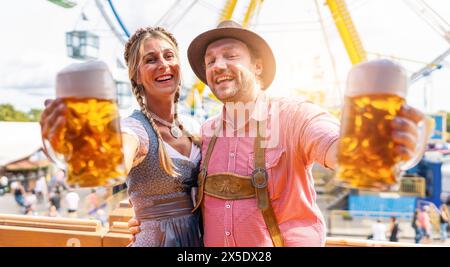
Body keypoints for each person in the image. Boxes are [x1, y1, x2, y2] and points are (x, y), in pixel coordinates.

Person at [128, 20, 427, 247]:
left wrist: (386, 148)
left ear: (258, 66)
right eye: (211, 61)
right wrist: (150, 218)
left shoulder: (295, 117)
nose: (219, 66)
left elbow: (340, 148)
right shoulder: (205, 133)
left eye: (230, 56)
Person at [40, 27, 202, 247]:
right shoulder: (134, 129)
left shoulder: (193, 127)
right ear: (136, 75)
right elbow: (115, 161)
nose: (163, 64)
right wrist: (64, 148)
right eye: (150, 59)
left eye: (169, 55)